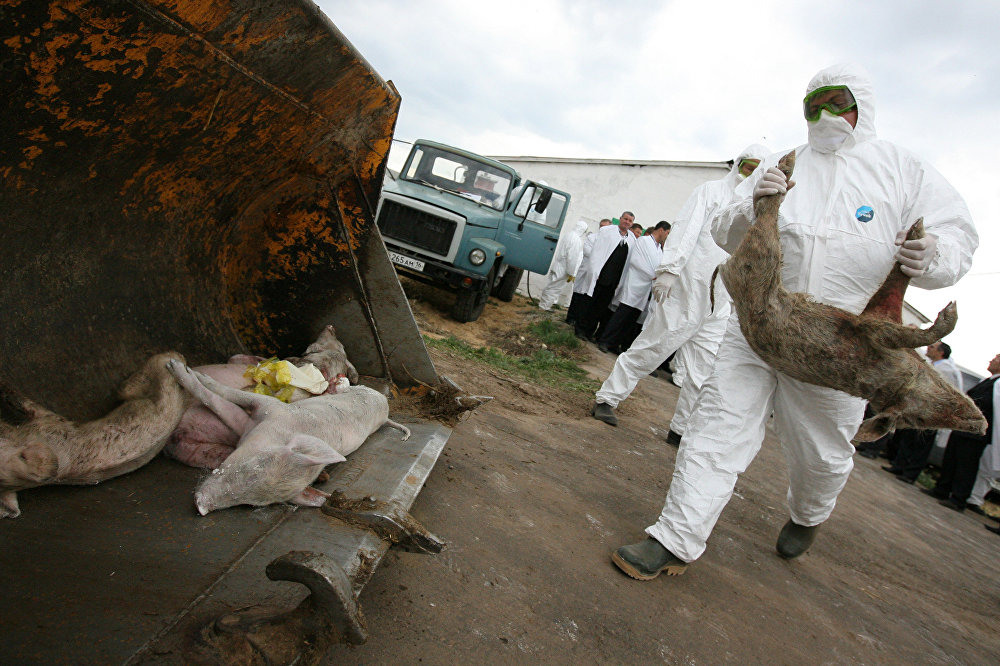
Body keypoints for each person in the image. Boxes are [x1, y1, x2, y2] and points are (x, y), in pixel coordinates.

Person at [612, 63, 978, 580]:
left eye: (837, 100)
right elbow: (726, 231)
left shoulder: (902, 170)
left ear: (863, 106)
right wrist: (755, 205)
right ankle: (674, 539)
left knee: (821, 453)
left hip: (843, 348)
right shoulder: (785, 164)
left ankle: (808, 514)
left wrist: (935, 255)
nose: (826, 114)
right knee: (716, 427)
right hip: (759, 325)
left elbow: (958, 235)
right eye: (814, 103)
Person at [590, 144, 769, 427]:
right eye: (748, 166)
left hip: (720, 299)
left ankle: (681, 428)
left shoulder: (757, 209)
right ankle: (607, 399)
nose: (750, 174)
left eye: (758, 170)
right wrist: (670, 270)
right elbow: (686, 228)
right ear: (738, 164)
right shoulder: (711, 192)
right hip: (688, 287)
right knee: (654, 346)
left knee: (703, 370)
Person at [922, 353, 999, 512]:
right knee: (951, 460)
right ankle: (942, 489)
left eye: (997, 358)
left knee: (966, 466)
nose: (991, 360)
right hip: (964, 428)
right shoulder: (988, 381)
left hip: (977, 434)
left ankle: (958, 498)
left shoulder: (997, 385)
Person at [881, 341, 963, 483]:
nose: (928, 348)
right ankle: (899, 466)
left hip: (930, 413)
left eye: (932, 347)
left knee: (921, 444)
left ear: (941, 352)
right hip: (916, 408)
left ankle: (910, 474)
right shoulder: (933, 365)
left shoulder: (946, 370)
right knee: (909, 438)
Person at [598, 221, 672, 354]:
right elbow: (636, 261)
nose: (667, 236)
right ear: (661, 230)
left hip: (645, 290)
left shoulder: (659, 248)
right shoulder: (644, 241)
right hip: (635, 284)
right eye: (667, 233)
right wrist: (653, 275)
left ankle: (615, 343)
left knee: (630, 320)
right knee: (621, 316)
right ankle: (604, 340)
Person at [575, 212, 636, 341]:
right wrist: (595, 270)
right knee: (589, 303)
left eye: (630, 221)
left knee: (600, 308)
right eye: (625, 219)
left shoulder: (631, 239)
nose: (627, 222)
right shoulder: (607, 231)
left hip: (614, 280)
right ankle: (580, 328)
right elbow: (597, 252)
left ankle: (589, 331)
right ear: (620, 219)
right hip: (600, 276)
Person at [566, 219, 611, 326]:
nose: (603, 229)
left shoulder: (609, 241)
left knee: (587, 299)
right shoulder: (592, 237)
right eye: (601, 226)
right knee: (578, 294)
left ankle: (579, 319)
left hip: (597, 274)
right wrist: (600, 257)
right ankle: (571, 317)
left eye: (605, 227)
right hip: (585, 271)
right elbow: (588, 251)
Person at [538, 220, 589, 311]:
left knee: (551, 285)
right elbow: (572, 259)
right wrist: (572, 273)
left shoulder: (568, 235)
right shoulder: (576, 240)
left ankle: (543, 304)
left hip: (557, 264)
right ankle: (544, 306)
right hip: (564, 268)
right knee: (555, 288)